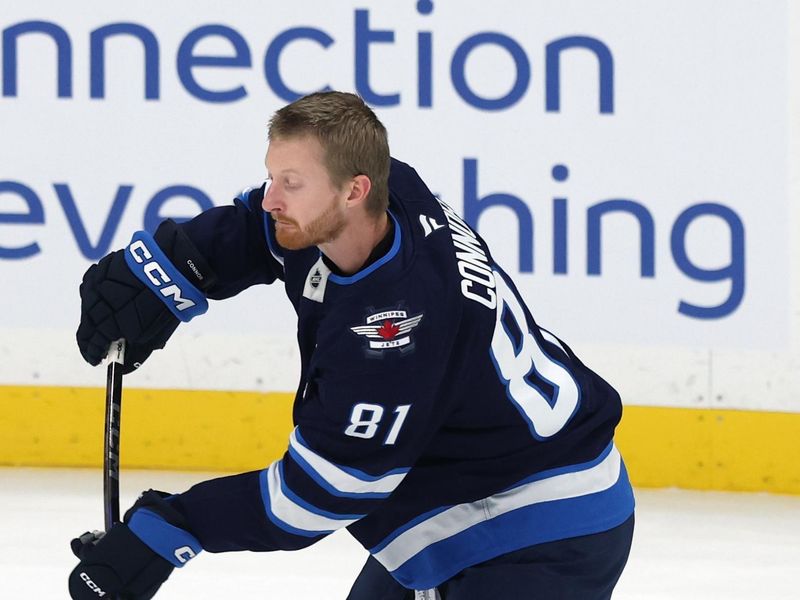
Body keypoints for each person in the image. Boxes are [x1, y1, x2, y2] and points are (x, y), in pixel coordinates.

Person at [70, 91, 635, 600]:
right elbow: (257, 230)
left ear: (353, 190)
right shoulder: (385, 193)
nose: (271, 199)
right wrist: (166, 271)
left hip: (542, 532)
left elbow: (319, 495)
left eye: (291, 183)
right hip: (460, 494)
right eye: (273, 177)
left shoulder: (392, 338)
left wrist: (169, 530)